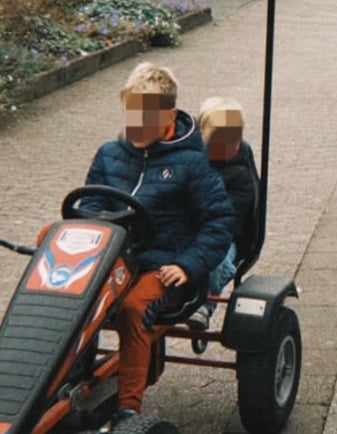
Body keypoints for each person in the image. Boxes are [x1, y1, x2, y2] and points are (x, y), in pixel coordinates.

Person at [81, 62, 234, 430]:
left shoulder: (192, 164)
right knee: (76, 296)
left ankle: (128, 409)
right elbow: (88, 207)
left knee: (134, 309)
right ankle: (63, 382)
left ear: (168, 116)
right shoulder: (108, 154)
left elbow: (219, 222)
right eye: (130, 112)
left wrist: (188, 265)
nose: (135, 124)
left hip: (167, 265)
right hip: (116, 260)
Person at [186, 96, 261, 330]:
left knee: (216, 257)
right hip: (184, 231)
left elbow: (227, 217)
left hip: (225, 236)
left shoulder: (239, 173)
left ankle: (204, 303)